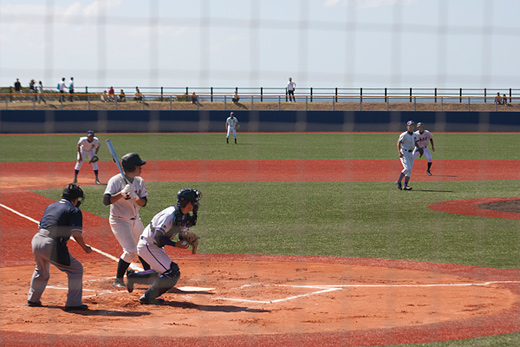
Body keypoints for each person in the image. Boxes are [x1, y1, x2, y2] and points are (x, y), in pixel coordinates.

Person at [126, 188, 202, 305]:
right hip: (148, 245)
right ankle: (147, 298)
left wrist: (185, 240)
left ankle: (133, 277)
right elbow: (158, 237)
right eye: (194, 201)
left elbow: (180, 231)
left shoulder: (182, 214)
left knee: (163, 272)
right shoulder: (169, 216)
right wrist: (175, 244)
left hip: (154, 246)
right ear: (188, 203)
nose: (196, 204)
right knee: (172, 272)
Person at [27, 183, 92, 311]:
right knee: (76, 269)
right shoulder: (74, 210)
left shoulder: (51, 206)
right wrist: (85, 247)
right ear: (75, 199)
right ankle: (73, 303)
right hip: (51, 244)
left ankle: (33, 299)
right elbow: (76, 233)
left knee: (41, 270)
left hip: (36, 240)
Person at [103, 153, 150, 288]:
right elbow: (106, 201)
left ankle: (149, 275)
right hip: (119, 221)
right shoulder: (116, 181)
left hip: (136, 220)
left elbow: (143, 203)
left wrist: (135, 196)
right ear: (132, 167)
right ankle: (118, 279)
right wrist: (121, 194)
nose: (141, 168)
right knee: (130, 250)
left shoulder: (139, 181)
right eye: (138, 165)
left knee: (144, 247)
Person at [395, 120, 420, 191]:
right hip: (404, 152)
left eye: (412, 126)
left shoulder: (415, 135)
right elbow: (398, 143)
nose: (411, 127)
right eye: (409, 126)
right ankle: (398, 181)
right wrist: (399, 152)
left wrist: (420, 148)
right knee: (407, 168)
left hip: (410, 153)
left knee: (410, 171)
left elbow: (415, 143)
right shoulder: (404, 135)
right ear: (407, 127)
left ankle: (405, 186)